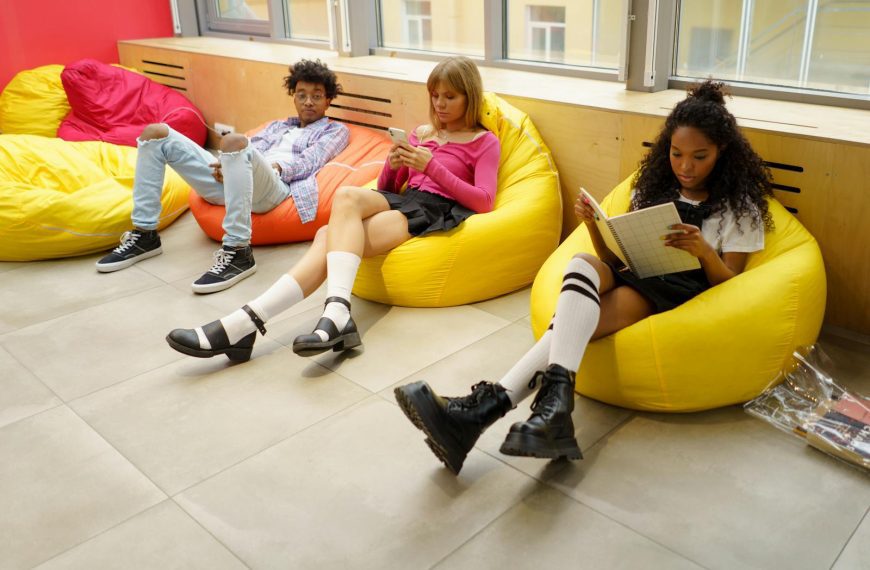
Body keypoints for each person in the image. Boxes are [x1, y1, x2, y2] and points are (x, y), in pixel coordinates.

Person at [394, 80, 775, 475]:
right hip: (634, 269)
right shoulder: (656, 188)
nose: (685, 167)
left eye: (700, 156)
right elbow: (613, 257)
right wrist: (595, 226)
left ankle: (477, 415)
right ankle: (551, 411)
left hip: (673, 289)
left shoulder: (739, 207)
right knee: (580, 261)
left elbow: (731, 284)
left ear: (722, 152)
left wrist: (704, 251)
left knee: (565, 326)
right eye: (677, 154)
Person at [165, 56, 500, 360]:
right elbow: (385, 188)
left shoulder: (484, 142)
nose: (440, 104)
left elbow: (484, 201)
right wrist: (395, 163)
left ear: (469, 97)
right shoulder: (422, 133)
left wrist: (431, 168)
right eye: (435, 95)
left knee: (327, 235)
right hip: (404, 198)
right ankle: (330, 315)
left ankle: (244, 325)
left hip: (435, 210)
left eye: (450, 97)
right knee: (345, 199)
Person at [96, 59, 350, 294]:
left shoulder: (335, 130)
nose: (308, 102)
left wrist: (266, 167)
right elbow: (244, 150)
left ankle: (238, 252)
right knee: (156, 132)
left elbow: (310, 161)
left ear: (328, 101)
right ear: (293, 96)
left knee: (235, 141)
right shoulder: (277, 125)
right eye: (302, 95)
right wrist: (223, 165)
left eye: (317, 97)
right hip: (236, 179)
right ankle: (144, 234)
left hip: (275, 185)